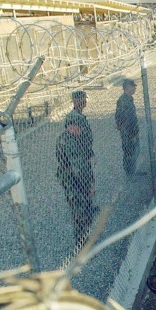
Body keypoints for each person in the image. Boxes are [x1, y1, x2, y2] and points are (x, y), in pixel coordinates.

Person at [56, 91, 98, 247]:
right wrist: (88, 186)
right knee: (79, 211)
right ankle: (81, 241)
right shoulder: (68, 141)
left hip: (80, 176)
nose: (80, 131)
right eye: (77, 128)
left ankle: (85, 236)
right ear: (70, 126)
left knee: (85, 208)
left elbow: (85, 148)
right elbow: (77, 168)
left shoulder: (75, 137)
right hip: (74, 180)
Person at [114, 79, 141, 175]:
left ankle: (133, 170)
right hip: (128, 131)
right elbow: (121, 117)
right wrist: (129, 131)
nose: (135, 88)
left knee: (135, 150)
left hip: (132, 130)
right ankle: (129, 172)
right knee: (129, 151)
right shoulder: (123, 100)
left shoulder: (129, 98)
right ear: (128, 88)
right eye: (133, 86)